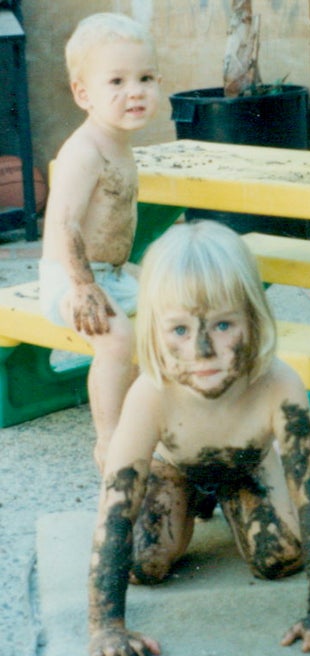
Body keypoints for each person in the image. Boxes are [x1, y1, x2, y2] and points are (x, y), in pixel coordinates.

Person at [87, 220, 310, 656]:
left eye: (223, 325)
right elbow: (115, 509)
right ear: (153, 331)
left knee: (280, 557)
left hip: (246, 463)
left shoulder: (279, 386)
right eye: (179, 331)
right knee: (142, 564)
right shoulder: (150, 394)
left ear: (253, 318)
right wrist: (105, 627)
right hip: (173, 467)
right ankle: (193, 502)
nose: (202, 350)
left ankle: (233, 498)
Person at [40, 13, 161, 470]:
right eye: (117, 81)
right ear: (83, 94)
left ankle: (154, 417)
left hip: (109, 274)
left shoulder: (121, 143)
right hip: (71, 281)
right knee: (116, 339)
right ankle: (110, 443)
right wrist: (85, 286)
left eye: (146, 78)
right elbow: (65, 224)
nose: (135, 91)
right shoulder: (84, 150)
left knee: (176, 302)